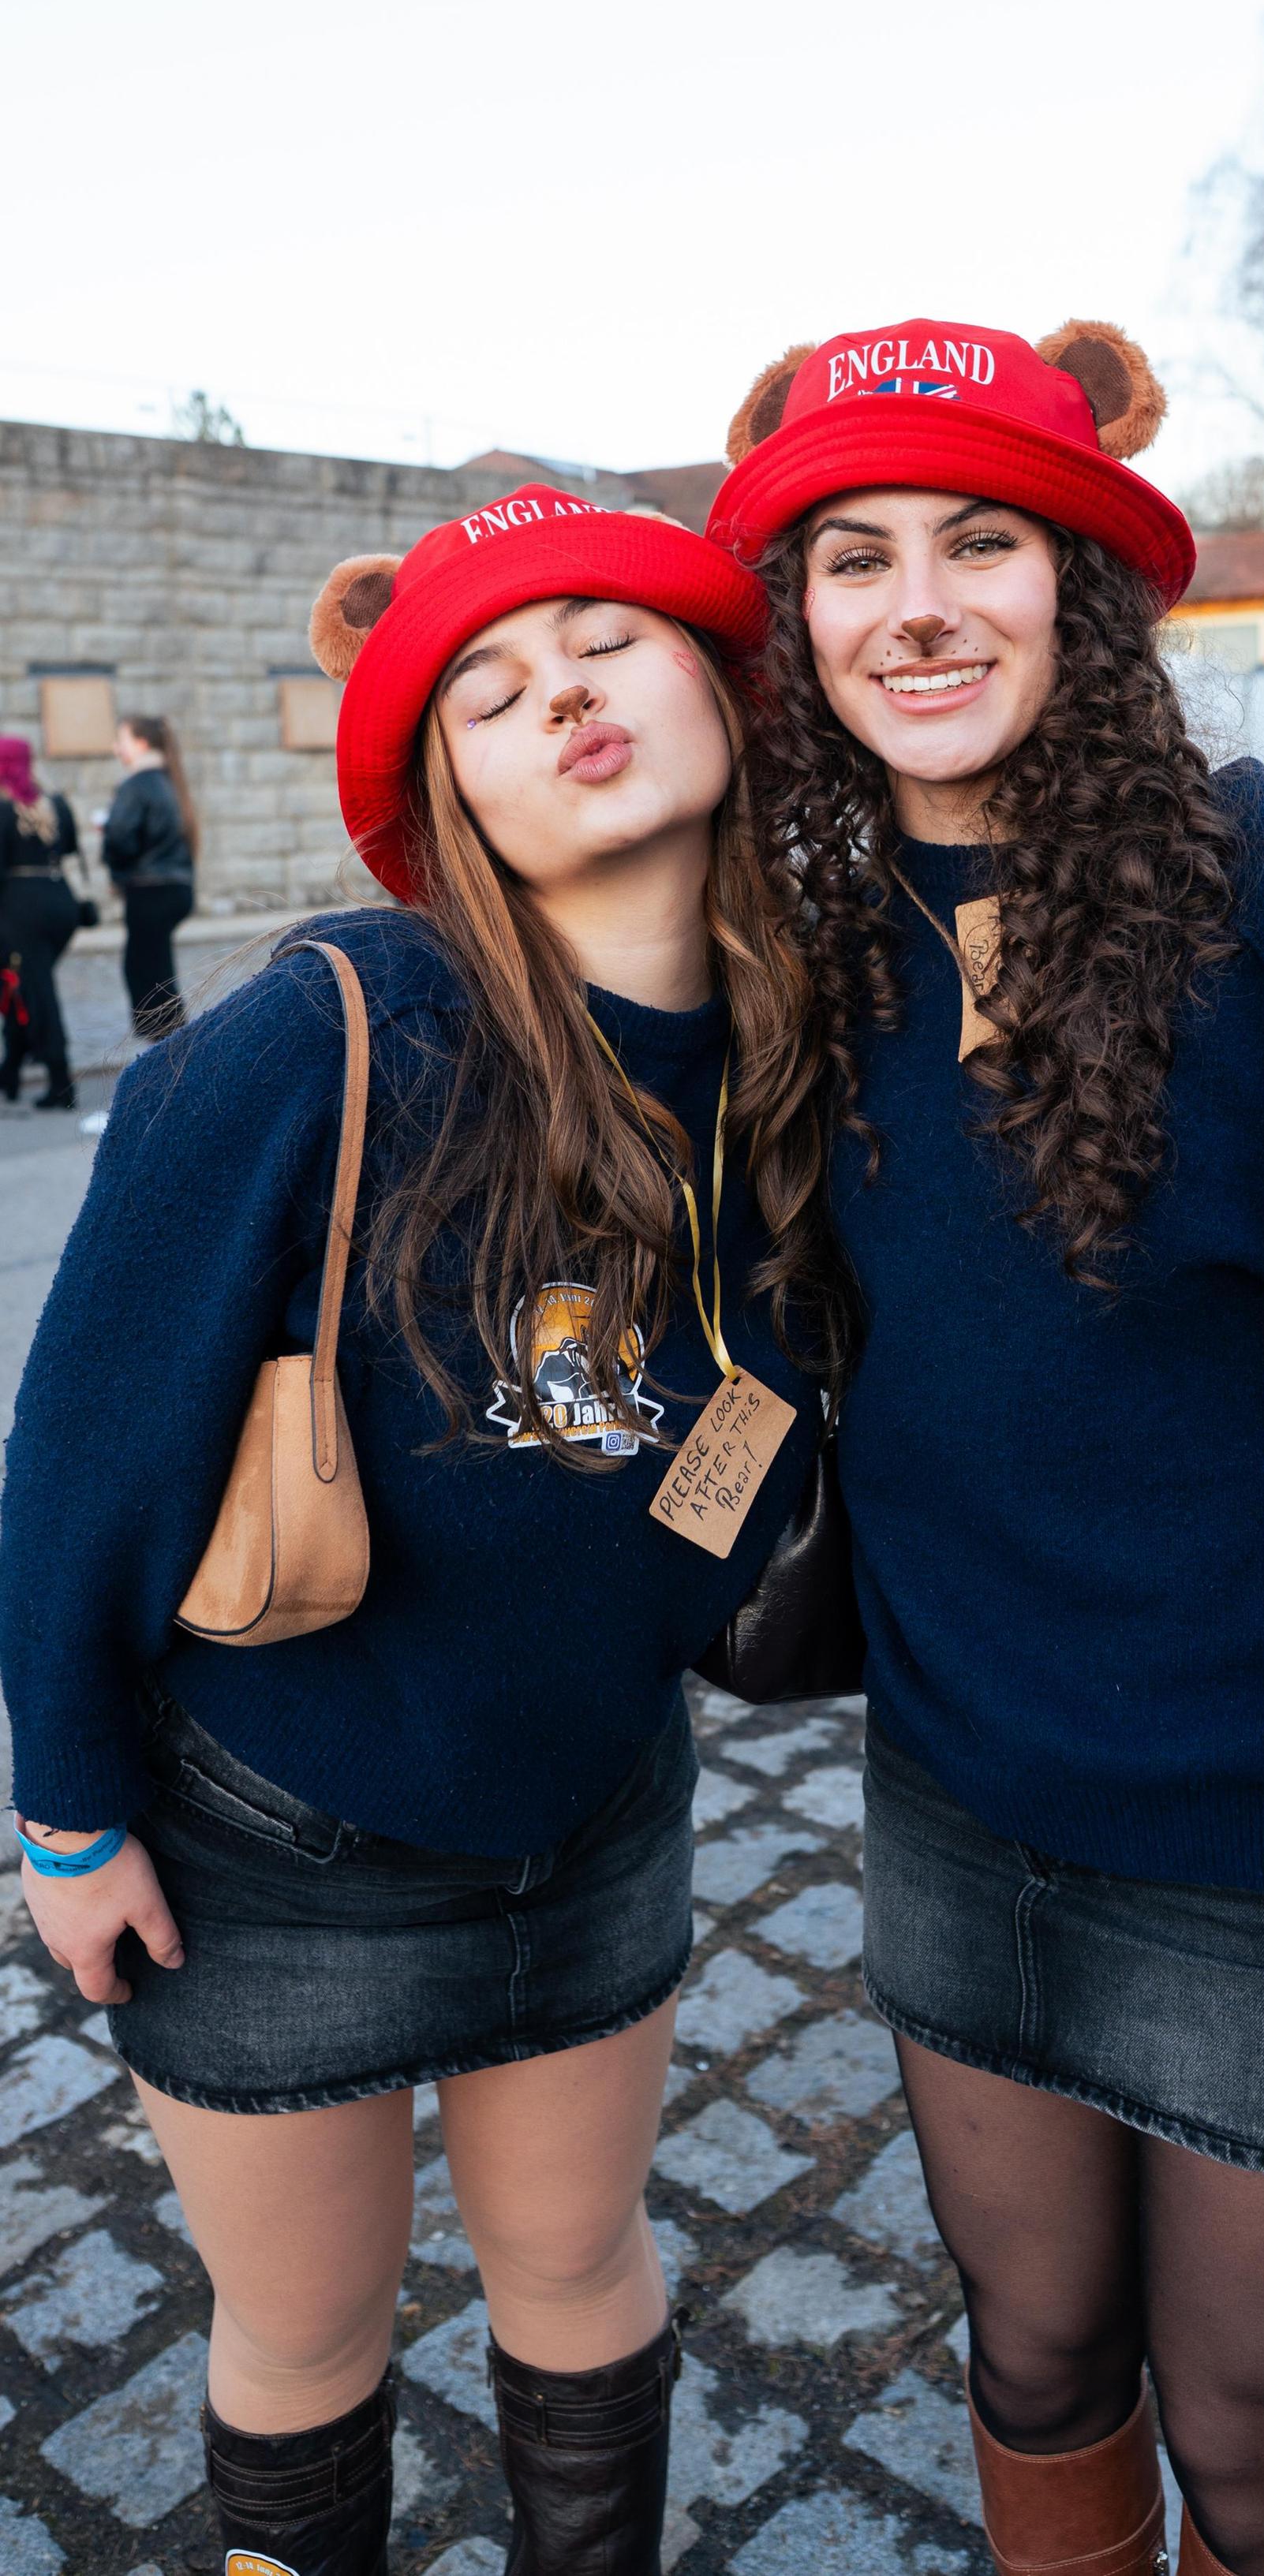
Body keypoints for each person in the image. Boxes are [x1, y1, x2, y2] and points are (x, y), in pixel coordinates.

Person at [709, 315, 1264, 2576]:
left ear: (1082, 585)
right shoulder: (814, 938)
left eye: (981, 540)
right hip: (958, 1816)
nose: (918, 604)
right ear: (801, 624)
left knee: (1257, 2448)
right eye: (854, 558)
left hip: (1263, 1858)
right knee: (1039, 2355)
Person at [0, 494, 851, 2576]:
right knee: (304, 2335)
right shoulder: (330, 1028)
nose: (560, 692)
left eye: (608, 641)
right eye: (488, 686)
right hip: (274, 1850)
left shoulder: (811, 1053)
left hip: (596, 1816)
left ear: (725, 691)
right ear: (443, 791)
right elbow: (83, 1453)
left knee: (581, 2268)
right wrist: (71, 1813)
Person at [0, 735, 81, 1108]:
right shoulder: (56, 804)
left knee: (37, 992)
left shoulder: (4, 810)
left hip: (22, 912)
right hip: (61, 904)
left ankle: (61, 1083)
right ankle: (11, 1072)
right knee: (24, 986)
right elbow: (70, 848)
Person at [105, 711, 197, 1035]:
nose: (116, 749)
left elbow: (120, 838)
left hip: (150, 889)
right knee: (157, 969)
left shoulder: (136, 784)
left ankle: (171, 1043)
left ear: (142, 744)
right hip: (175, 886)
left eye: (122, 740)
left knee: (145, 972)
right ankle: (173, 1040)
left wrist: (113, 854)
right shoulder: (170, 781)